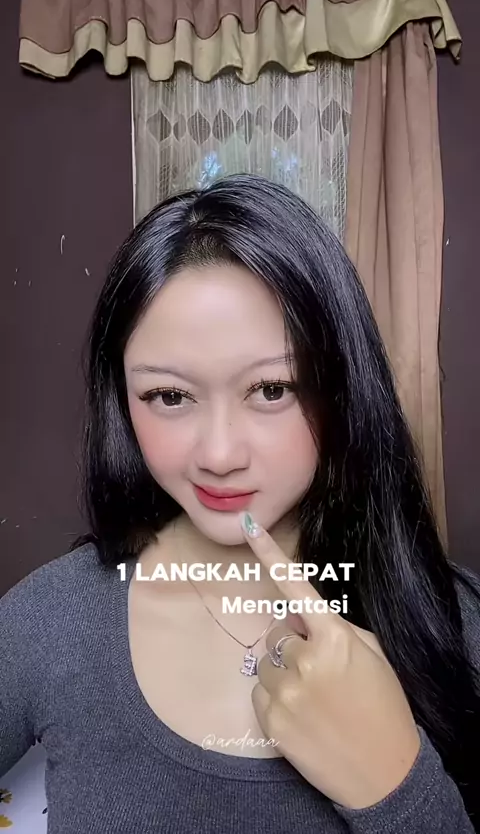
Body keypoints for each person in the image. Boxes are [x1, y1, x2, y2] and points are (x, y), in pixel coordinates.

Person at [1, 174, 479, 834]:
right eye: (170, 397)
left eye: (272, 389)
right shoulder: (53, 620)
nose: (220, 454)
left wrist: (394, 784)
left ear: (343, 388)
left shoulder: (455, 623)